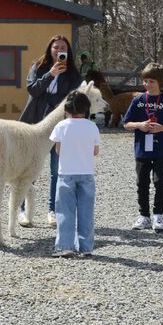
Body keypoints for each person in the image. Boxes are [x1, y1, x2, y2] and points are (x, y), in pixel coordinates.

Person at [17, 34, 81, 224]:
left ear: (68, 51)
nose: (59, 51)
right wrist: (51, 74)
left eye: (63, 47)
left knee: (56, 170)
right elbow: (33, 90)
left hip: (60, 127)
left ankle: (53, 210)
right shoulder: (38, 67)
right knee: (28, 169)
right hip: (34, 126)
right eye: (56, 47)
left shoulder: (73, 74)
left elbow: (73, 99)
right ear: (49, 49)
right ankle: (22, 210)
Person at [122, 63, 163, 233]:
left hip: (161, 149)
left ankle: (158, 215)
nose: (147, 84)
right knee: (142, 182)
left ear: (161, 82)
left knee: (160, 181)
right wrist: (139, 125)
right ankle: (144, 216)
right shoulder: (138, 100)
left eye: (152, 81)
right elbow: (126, 123)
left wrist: (161, 128)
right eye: (145, 81)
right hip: (142, 149)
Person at [49, 91, 101, 257]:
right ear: (87, 109)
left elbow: (58, 150)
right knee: (86, 211)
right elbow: (95, 151)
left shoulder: (61, 126)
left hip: (66, 174)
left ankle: (65, 246)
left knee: (65, 211)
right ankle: (86, 247)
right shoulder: (92, 126)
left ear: (67, 109)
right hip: (86, 173)